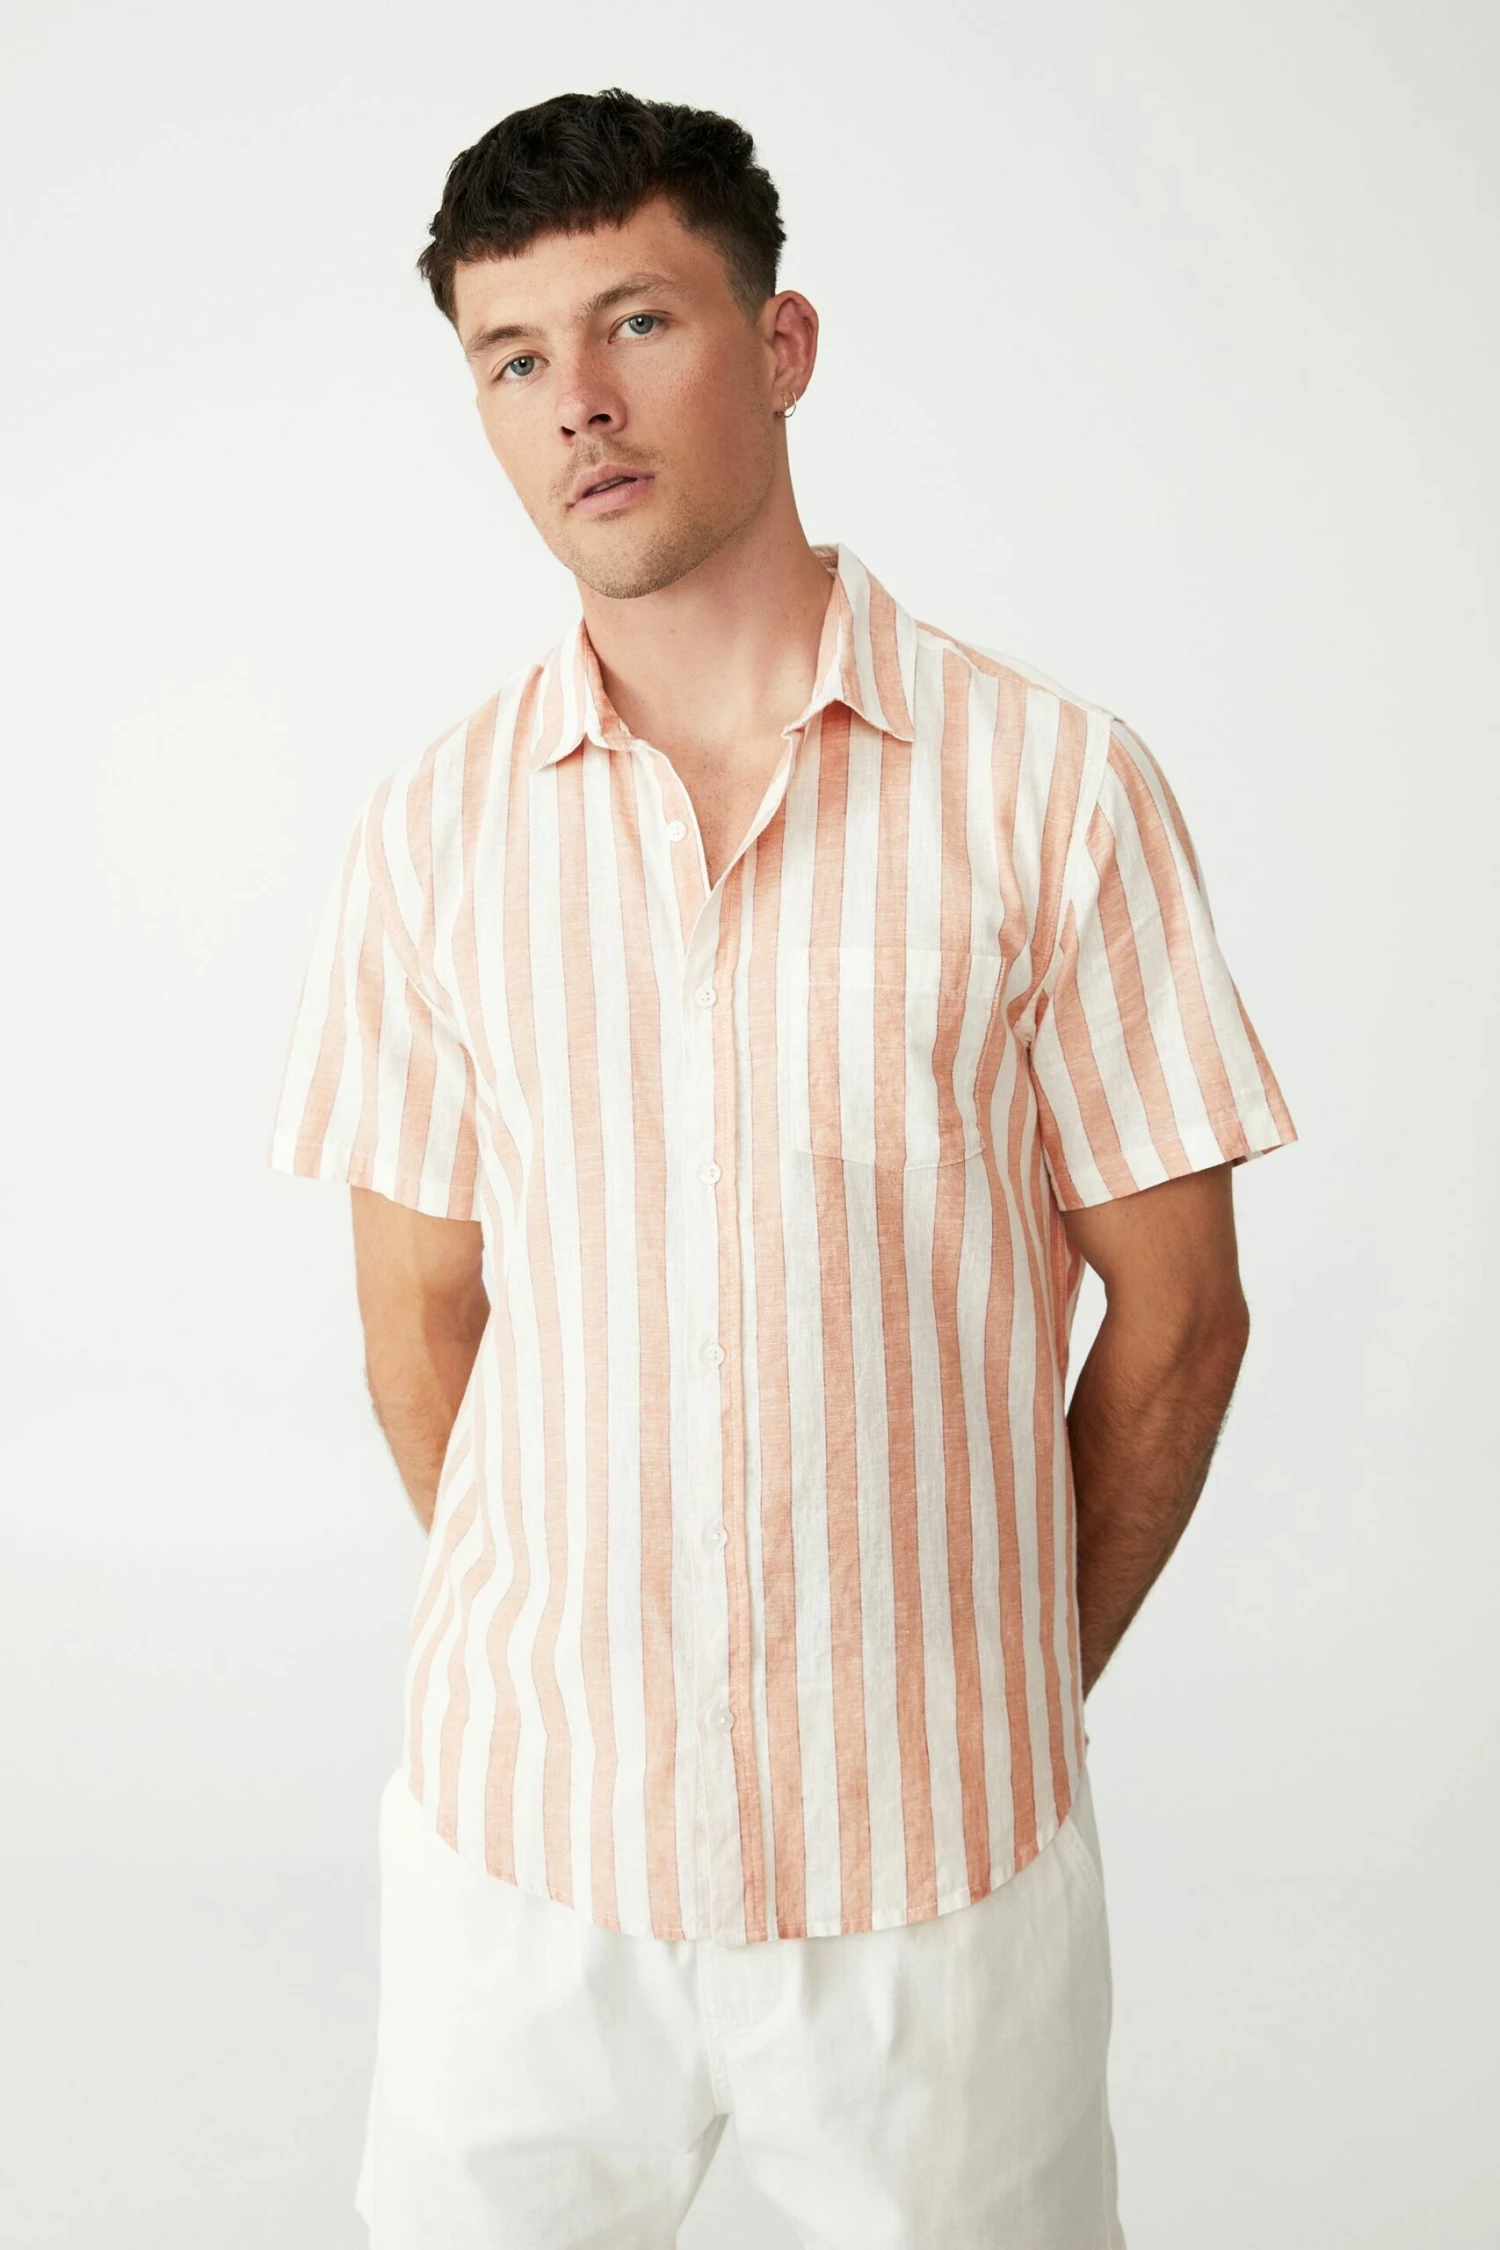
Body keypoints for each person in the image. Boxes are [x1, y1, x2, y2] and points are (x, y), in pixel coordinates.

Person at [268, 84, 1297, 2250]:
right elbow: (420, 1320)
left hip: (937, 1887)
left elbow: (1183, 1315)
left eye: (636, 322)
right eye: (513, 358)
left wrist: (990, 1675)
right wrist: (603, 1655)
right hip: (524, 1872)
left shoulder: (1051, 791)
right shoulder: (434, 834)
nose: (578, 401)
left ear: (783, 343)